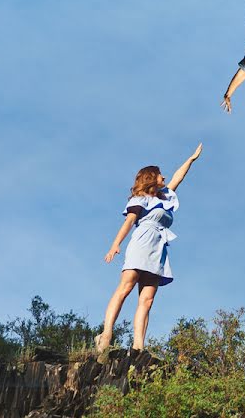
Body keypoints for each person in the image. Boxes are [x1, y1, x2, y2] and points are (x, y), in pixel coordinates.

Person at [95, 143, 203, 353]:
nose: (164, 176)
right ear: (151, 178)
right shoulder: (141, 199)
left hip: (159, 248)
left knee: (147, 299)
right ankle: (106, 334)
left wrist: (191, 159)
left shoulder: (167, 196)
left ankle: (138, 347)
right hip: (142, 241)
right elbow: (129, 222)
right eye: (160, 174)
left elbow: (178, 178)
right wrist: (115, 245)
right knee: (125, 288)